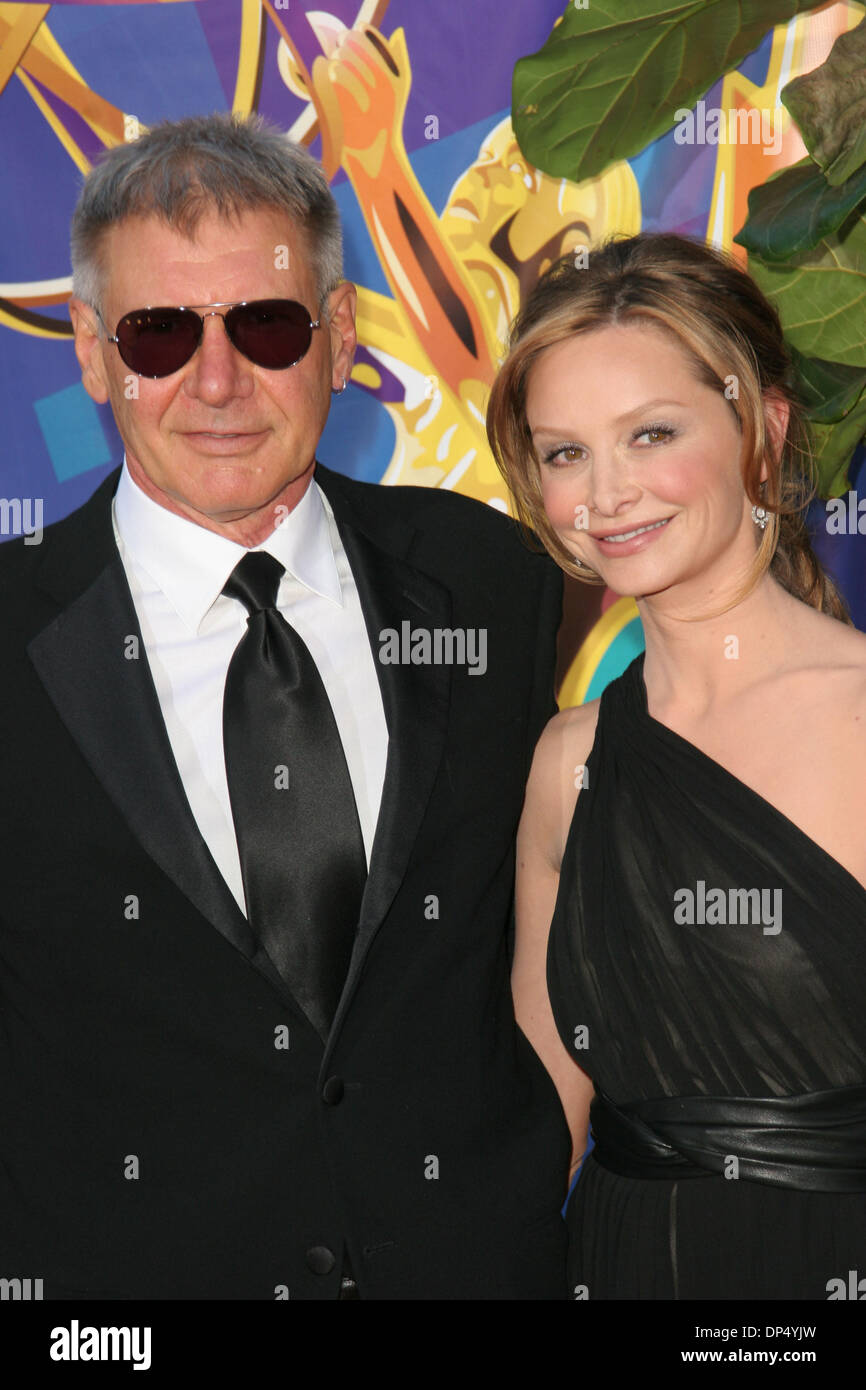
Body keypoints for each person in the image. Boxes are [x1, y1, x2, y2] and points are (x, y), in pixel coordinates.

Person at [0, 113, 570, 1300]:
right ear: (94, 353)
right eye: (160, 335)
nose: (217, 381)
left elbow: (555, 932)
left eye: (263, 326)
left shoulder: (491, 580)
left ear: (340, 338)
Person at [487, 233, 866, 1300]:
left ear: (760, 427)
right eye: (563, 452)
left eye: (648, 434)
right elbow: (536, 1130)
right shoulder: (564, 767)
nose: (601, 496)